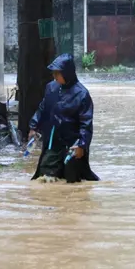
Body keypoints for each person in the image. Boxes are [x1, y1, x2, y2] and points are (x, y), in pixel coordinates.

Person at [28, 53, 100, 183]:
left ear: (67, 73)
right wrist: (33, 127)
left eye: (57, 73)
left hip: (73, 144)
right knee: (45, 174)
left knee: (72, 178)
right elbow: (42, 109)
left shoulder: (82, 94)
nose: (54, 76)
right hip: (53, 141)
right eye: (53, 73)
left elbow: (86, 123)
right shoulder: (51, 88)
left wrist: (81, 145)